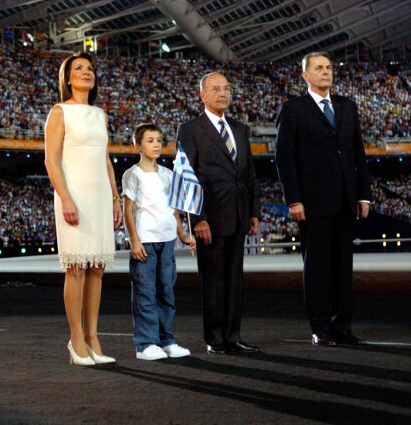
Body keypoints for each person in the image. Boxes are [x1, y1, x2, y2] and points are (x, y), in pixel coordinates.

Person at [274, 51, 372, 347]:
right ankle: (320, 327)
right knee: (317, 269)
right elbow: (284, 159)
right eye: (319, 68)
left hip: (345, 201)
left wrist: (363, 195)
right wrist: (294, 200)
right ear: (305, 75)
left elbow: (358, 154)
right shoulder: (293, 110)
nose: (326, 72)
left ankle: (342, 326)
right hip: (313, 203)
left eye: (329, 67)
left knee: (343, 269)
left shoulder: (347, 107)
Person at [44, 52, 122, 366]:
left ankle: (93, 337)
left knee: (97, 268)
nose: (86, 72)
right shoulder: (59, 111)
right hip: (73, 195)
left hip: (101, 196)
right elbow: (51, 160)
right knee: (76, 268)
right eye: (78, 68)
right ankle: (76, 339)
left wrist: (116, 199)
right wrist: (65, 198)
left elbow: (105, 161)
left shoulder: (100, 115)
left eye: (90, 68)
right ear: (66, 78)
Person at [177, 72, 261, 354]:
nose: (223, 93)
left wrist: (254, 212)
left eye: (226, 88)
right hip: (209, 219)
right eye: (215, 89)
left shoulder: (239, 128)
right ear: (202, 95)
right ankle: (215, 339)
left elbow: (249, 174)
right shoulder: (190, 130)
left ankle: (233, 336)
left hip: (238, 215)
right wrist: (197, 219)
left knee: (235, 281)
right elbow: (187, 177)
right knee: (213, 282)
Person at [122, 123, 196, 361]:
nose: (156, 144)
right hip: (145, 242)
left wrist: (183, 235)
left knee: (166, 293)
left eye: (159, 140)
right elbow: (128, 211)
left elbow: (173, 209)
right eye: (150, 140)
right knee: (145, 294)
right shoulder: (132, 174)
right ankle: (145, 344)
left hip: (167, 242)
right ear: (137, 146)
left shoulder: (168, 174)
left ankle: (166, 341)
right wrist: (134, 241)